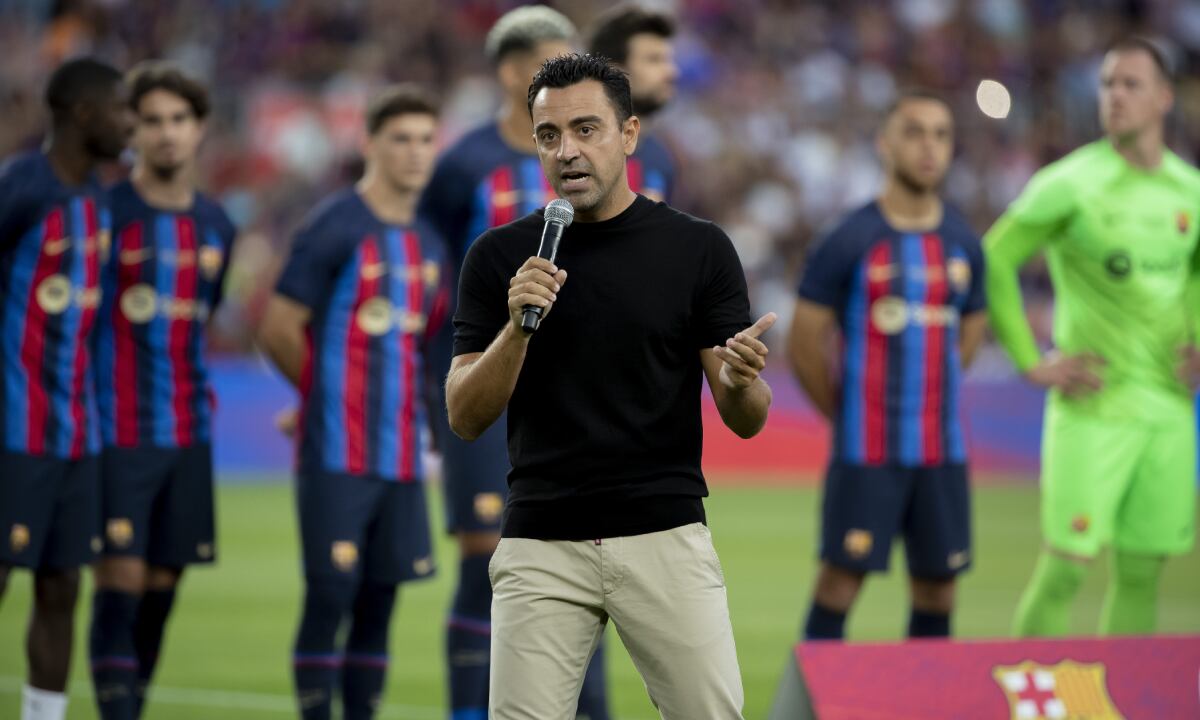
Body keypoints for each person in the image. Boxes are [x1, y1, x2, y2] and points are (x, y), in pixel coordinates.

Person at [446, 53, 773, 720]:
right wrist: (517, 329)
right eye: (548, 136)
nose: (567, 151)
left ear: (628, 135)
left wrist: (740, 380)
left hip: (664, 534)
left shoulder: (698, 250)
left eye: (587, 129)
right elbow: (464, 415)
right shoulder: (498, 257)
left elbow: (746, 417)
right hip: (541, 541)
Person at [416, 8, 611, 719]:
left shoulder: (589, 158)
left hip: (577, 394)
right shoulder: (463, 166)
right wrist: (431, 388)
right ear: (509, 73)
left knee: (588, 557)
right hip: (490, 386)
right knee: (483, 558)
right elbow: (430, 285)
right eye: (550, 62)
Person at [987, 37, 1200, 637]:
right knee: (1066, 573)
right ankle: (1027, 702)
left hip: (1169, 409)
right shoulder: (1071, 183)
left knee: (1141, 576)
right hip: (1093, 404)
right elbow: (994, 260)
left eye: (1131, 84)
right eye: (1108, 84)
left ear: (1164, 99)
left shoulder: (1190, 190)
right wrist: (1030, 361)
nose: (1115, 96)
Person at [258, 85, 449, 720]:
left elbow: (426, 346)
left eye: (426, 139)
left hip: (398, 455)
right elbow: (279, 328)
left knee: (380, 599)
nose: (416, 152)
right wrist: (318, 397)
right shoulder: (334, 227)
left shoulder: (430, 243)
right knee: (331, 591)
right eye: (402, 138)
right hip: (336, 450)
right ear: (369, 144)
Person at [786, 90, 987, 641]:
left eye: (942, 135)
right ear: (886, 144)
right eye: (915, 132)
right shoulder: (850, 238)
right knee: (839, 583)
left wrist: (935, 388)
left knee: (939, 588)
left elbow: (971, 328)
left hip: (941, 451)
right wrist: (844, 409)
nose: (929, 147)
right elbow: (804, 341)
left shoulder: (963, 241)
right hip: (865, 449)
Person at [86, 61, 236, 720]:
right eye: (152, 121)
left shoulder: (216, 225)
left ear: (200, 129)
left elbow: (205, 314)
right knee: (118, 581)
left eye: (179, 120)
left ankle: (131, 705)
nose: (167, 134)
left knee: (161, 586)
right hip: (115, 428)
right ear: (131, 131)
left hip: (187, 432)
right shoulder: (104, 213)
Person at [0, 57, 130, 720]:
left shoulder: (99, 204)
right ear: (83, 114)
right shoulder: (21, 188)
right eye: (120, 108)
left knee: (61, 588)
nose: (128, 123)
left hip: (77, 434)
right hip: (12, 429)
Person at [587, 3, 679, 202]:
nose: (671, 72)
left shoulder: (659, 158)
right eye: (654, 60)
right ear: (614, 72)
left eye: (668, 60)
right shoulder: (573, 153)